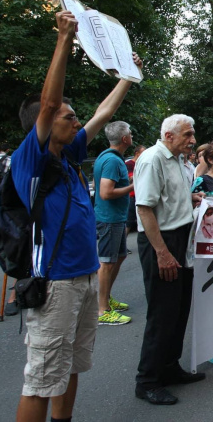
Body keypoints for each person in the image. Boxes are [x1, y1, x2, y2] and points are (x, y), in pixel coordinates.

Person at [13, 11, 139, 422]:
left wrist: (127, 76)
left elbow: (103, 113)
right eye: (69, 117)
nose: (77, 121)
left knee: (70, 367)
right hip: (56, 283)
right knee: (42, 378)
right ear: (45, 123)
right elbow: (50, 103)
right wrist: (65, 38)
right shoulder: (30, 159)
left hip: (84, 277)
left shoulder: (67, 157)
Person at [134, 114, 206, 405]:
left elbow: (170, 199)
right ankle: (147, 381)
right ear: (169, 136)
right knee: (162, 314)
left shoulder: (179, 160)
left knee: (179, 309)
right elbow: (145, 209)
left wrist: (192, 200)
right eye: (188, 135)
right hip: (161, 242)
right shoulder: (152, 159)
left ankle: (169, 367)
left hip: (181, 239)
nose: (192, 140)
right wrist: (162, 253)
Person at [94, 121, 135, 326]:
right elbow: (106, 192)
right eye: (130, 133)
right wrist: (133, 186)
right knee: (107, 262)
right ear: (124, 139)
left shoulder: (111, 158)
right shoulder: (112, 161)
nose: (132, 136)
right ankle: (102, 310)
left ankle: (106, 298)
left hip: (116, 218)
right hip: (109, 218)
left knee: (117, 258)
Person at [125, 144, 146, 235]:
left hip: (141, 194)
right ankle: (123, 246)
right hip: (132, 196)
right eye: (143, 153)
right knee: (129, 222)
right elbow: (130, 178)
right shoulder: (129, 164)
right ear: (137, 153)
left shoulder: (143, 163)